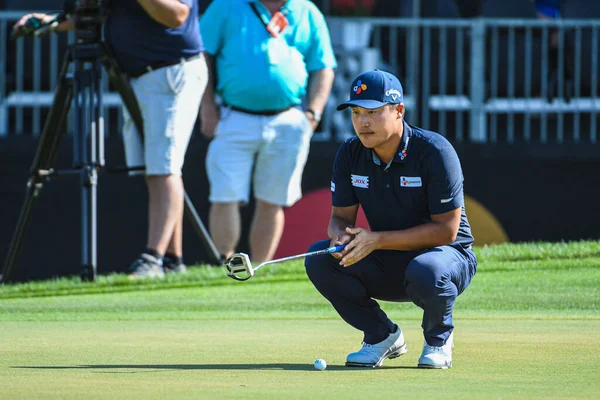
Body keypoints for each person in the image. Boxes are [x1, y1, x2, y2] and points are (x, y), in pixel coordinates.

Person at [12, 0, 208, 278]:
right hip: (139, 76)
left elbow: (176, 15)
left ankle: (153, 259)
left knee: (163, 168)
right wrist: (49, 21)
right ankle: (173, 260)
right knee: (156, 168)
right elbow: (95, 14)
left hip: (172, 72)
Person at [304, 69, 477, 369]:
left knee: (427, 269)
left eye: (372, 112)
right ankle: (381, 336)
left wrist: (377, 240)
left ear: (399, 111)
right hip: (388, 257)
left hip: (447, 259)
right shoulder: (350, 153)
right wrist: (341, 237)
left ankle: (438, 340)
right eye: (356, 112)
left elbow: (447, 232)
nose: (362, 122)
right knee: (320, 259)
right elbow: (340, 219)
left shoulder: (434, 152)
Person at [199, 0, 336, 264]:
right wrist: (207, 107)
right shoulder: (226, 6)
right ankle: (225, 266)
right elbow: (201, 54)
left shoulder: (307, 11)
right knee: (224, 196)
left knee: (272, 201)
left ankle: (259, 269)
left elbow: (324, 67)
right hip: (233, 115)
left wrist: (313, 114)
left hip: (288, 119)